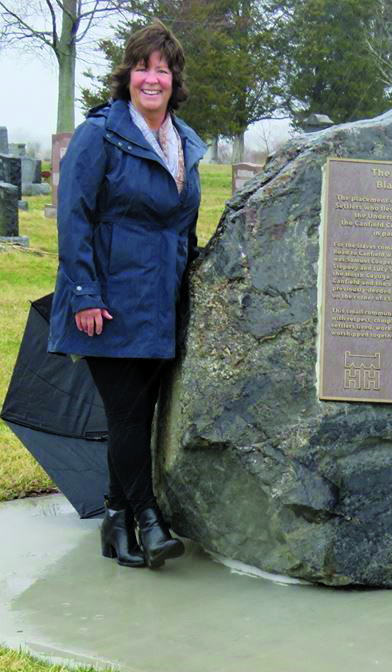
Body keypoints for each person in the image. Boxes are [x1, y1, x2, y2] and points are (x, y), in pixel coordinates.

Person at [48, 20, 206, 569]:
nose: (152, 78)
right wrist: (86, 293)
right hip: (105, 303)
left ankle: (116, 525)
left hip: (160, 304)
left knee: (139, 414)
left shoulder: (185, 143)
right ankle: (148, 520)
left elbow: (182, 227)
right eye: (143, 67)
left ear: (174, 78)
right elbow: (75, 217)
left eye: (162, 69)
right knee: (127, 413)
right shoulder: (101, 133)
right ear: (128, 75)